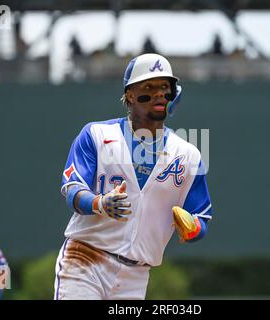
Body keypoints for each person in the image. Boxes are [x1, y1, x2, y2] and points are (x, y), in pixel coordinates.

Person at [54, 53, 212, 300]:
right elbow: (72, 189)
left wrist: (193, 229)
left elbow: (201, 217)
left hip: (136, 276)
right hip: (86, 259)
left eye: (164, 87)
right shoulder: (96, 134)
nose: (159, 93)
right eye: (148, 87)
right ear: (130, 94)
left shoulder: (188, 155)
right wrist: (98, 203)